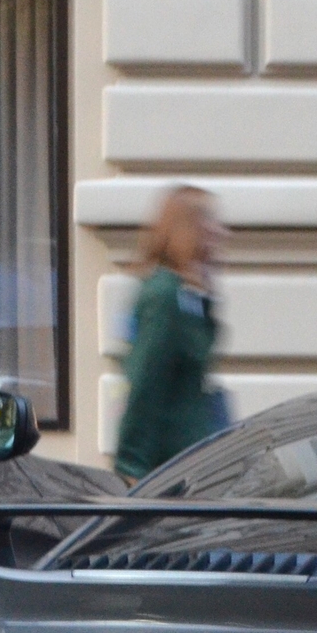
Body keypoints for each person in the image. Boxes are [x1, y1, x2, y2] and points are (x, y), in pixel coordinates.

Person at [113, 185, 227, 481]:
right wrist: (131, 470)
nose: (218, 231)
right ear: (187, 228)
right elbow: (144, 380)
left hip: (191, 467)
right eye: (208, 221)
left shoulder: (185, 293)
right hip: (166, 474)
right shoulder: (163, 295)